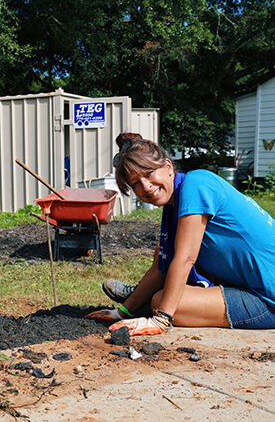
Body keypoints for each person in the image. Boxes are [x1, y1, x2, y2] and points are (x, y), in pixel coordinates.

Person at [87, 132, 275, 336]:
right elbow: (162, 266)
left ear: (168, 166)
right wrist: (122, 312)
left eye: (149, 173)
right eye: (135, 184)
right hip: (254, 285)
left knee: (162, 301)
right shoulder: (177, 200)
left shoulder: (196, 185)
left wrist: (160, 319)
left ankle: (153, 308)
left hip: (267, 298)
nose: (146, 186)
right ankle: (146, 304)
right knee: (166, 263)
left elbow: (185, 259)